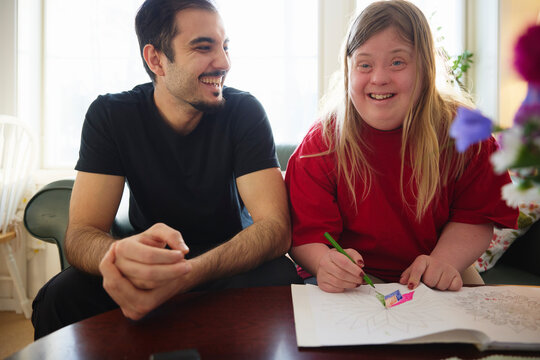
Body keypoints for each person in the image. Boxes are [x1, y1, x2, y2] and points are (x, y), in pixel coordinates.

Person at [32, 0, 301, 339]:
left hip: (227, 263)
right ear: (156, 59)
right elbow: (82, 233)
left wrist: (187, 274)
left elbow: (276, 228)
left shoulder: (244, 111)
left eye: (225, 46)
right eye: (204, 47)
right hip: (149, 265)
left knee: (280, 277)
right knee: (61, 295)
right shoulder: (111, 116)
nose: (224, 62)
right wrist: (119, 254)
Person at [285, 0, 518, 294]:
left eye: (397, 62)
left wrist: (444, 261)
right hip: (356, 280)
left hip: (440, 263)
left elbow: (474, 218)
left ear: (425, 68)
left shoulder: (467, 135)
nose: (379, 78)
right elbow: (307, 238)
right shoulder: (319, 146)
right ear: (348, 72)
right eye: (364, 64)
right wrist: (324, 263)